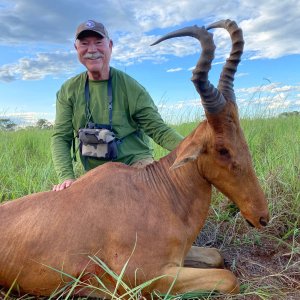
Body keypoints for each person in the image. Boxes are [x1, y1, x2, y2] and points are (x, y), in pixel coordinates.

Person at [51, 20, 184, 191]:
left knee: (152, 201)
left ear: (110, 45)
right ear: (76, 48)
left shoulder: (131, 87)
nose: (92, 50)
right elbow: (61, 137)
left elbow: (159, 130)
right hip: (95, 173)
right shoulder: (68, 90)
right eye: (84, 44)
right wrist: (66, 177)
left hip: (135, 164)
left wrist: (193, 149)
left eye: (98, 42)